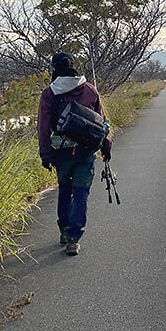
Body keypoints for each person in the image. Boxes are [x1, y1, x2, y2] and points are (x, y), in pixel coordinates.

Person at [37, 53, 112, 256]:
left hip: (62, 153)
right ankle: (74, 238)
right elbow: (102, 123)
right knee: (81, 194)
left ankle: (64, 230)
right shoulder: (89, 89)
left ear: (54, 69)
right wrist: (106, 146)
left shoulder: (49, 93)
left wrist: (45, 155)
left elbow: (43, 128)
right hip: (86, 151)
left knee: (64, 190)